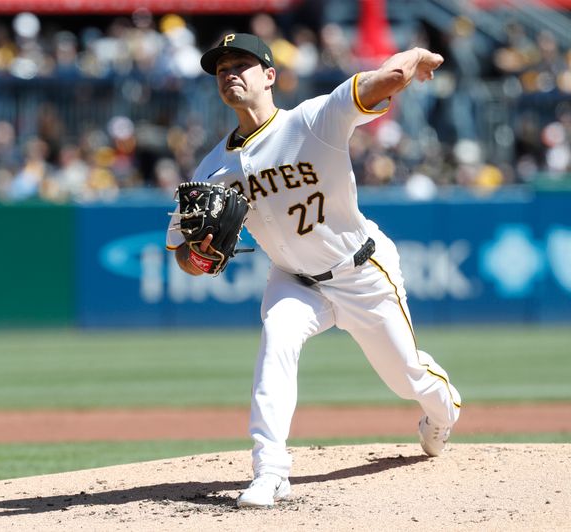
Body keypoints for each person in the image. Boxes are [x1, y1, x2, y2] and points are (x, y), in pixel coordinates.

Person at [165, 33, 462, 508]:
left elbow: (388, 79)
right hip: (292, 279)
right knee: (276, 342)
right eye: (221, 69)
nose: (229, 74)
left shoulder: (314, 120)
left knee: (405, 377)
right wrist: (196, 256)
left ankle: (443, 412)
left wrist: (416, 57)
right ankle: (270, 471)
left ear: (269, 75)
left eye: (241, 64)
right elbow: (181, 253)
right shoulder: (213, 169)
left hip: (360, 271)